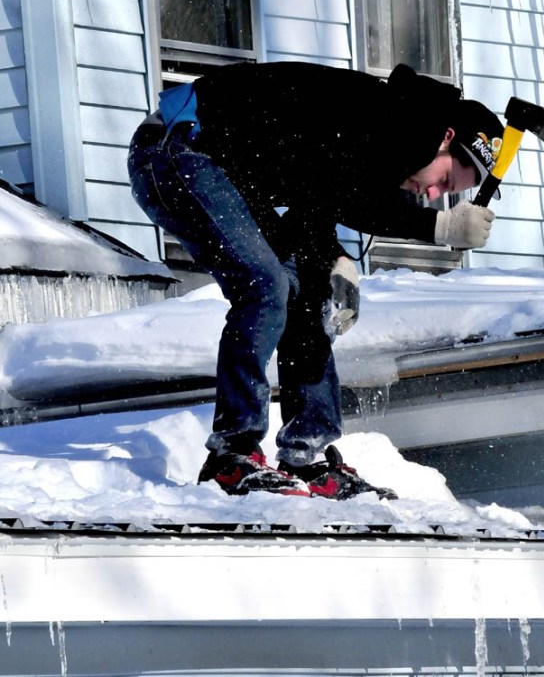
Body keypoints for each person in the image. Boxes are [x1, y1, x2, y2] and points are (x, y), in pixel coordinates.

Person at [127, 61, 503, 500]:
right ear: (445, 139)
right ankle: (232, 455)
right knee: (264, 283)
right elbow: (340, 193)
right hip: (179, 150)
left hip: (231, 172)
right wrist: (436, 228)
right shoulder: (390, 120)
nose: (436, 193)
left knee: (308, 293)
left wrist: (334, 260)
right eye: (446, 180)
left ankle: (307, 454)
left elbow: (319, 198)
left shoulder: (389, 132)